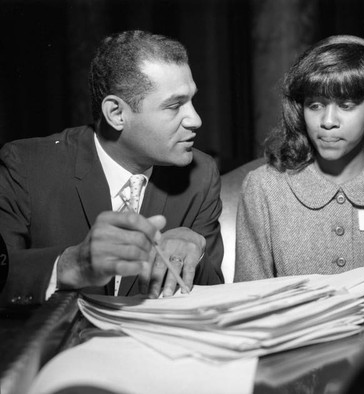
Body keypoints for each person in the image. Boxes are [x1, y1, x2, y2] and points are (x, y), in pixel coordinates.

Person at [0, 30, 224, 306]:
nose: (195, 119)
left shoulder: (201, 173)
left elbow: (215, 300)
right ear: (117, 114)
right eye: (175, 105)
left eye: (191, 101)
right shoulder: (27, 165)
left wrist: (196, 250)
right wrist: (72, 264)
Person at [235, 35, 364, 281]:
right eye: (315, 105)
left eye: (346, 105)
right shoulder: (264, 188)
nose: (328, 122)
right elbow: (249, 302)